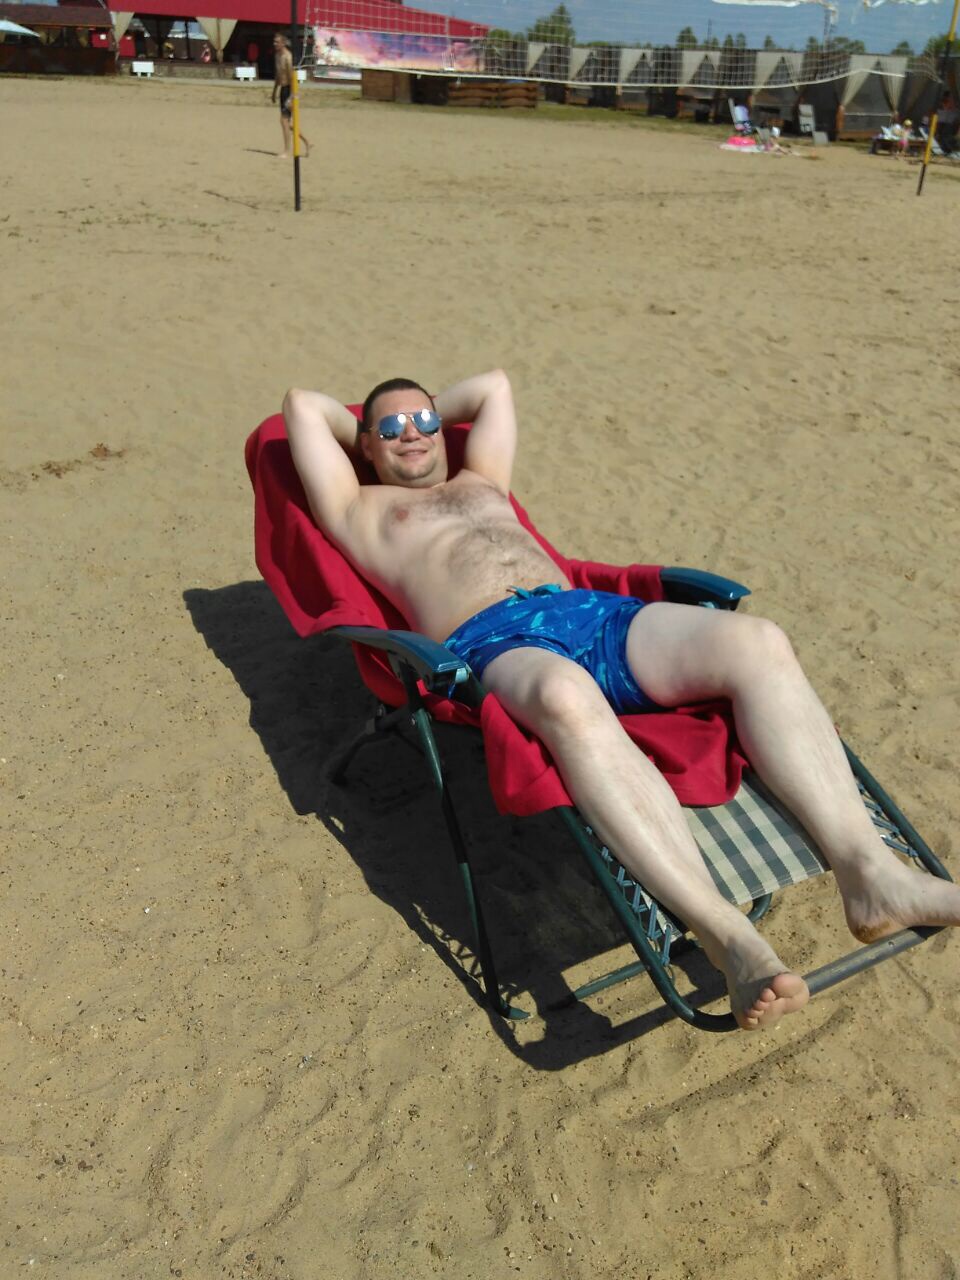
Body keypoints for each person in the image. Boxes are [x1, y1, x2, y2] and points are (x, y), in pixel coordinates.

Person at [282, 371, 960, 1031]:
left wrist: (408, 414)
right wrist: (373, 425)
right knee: (564, 695)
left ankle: (871, 875)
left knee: (758, 641)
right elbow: (302, 406)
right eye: (391, 428)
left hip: (590, 613)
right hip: (494, 638)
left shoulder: (481, 478)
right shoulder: (357, 508)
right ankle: (726, 935)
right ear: (363, 443)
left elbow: (495, 387)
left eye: (425, 419)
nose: (413, 433)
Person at [271, 33, 310, 159]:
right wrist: (274, 91)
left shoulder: (288, 57)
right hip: (283, 89)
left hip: (290, 90)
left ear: (283, 43)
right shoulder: (277, 56)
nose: (275, 44)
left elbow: (293, 79)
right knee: (287, 123)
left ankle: (286, 151)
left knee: (283, 121)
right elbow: (278, 75)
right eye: (274, 42)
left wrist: (292, 97)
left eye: (277, 42)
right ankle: (307, 142)